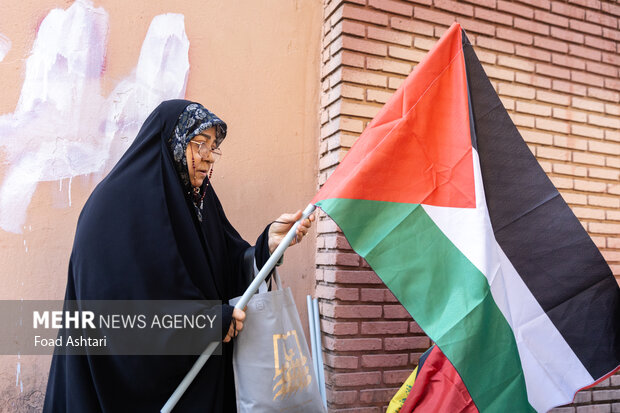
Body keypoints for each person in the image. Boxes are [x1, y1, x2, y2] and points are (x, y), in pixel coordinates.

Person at [42, 99, 314, 412]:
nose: (208, 157)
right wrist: (202, 326)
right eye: (199, 144)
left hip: (196, 382)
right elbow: (113, 316)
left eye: (214, 147)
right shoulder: (114, 208)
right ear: (173, 141)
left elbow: (227, 268)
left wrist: (267, 247)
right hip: (124, 391)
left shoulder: (200, 202)